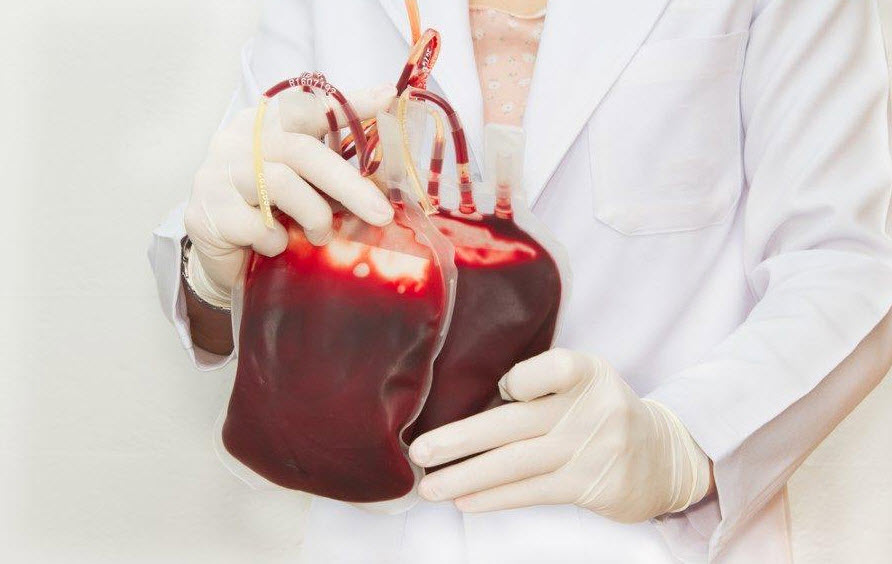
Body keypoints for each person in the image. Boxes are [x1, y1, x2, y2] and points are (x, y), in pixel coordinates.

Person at [148, 0, 892, 562]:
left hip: (646, 541)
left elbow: (846, 260)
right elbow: (236, 267)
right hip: (374, 536)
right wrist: (213, 268)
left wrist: (683, 442)